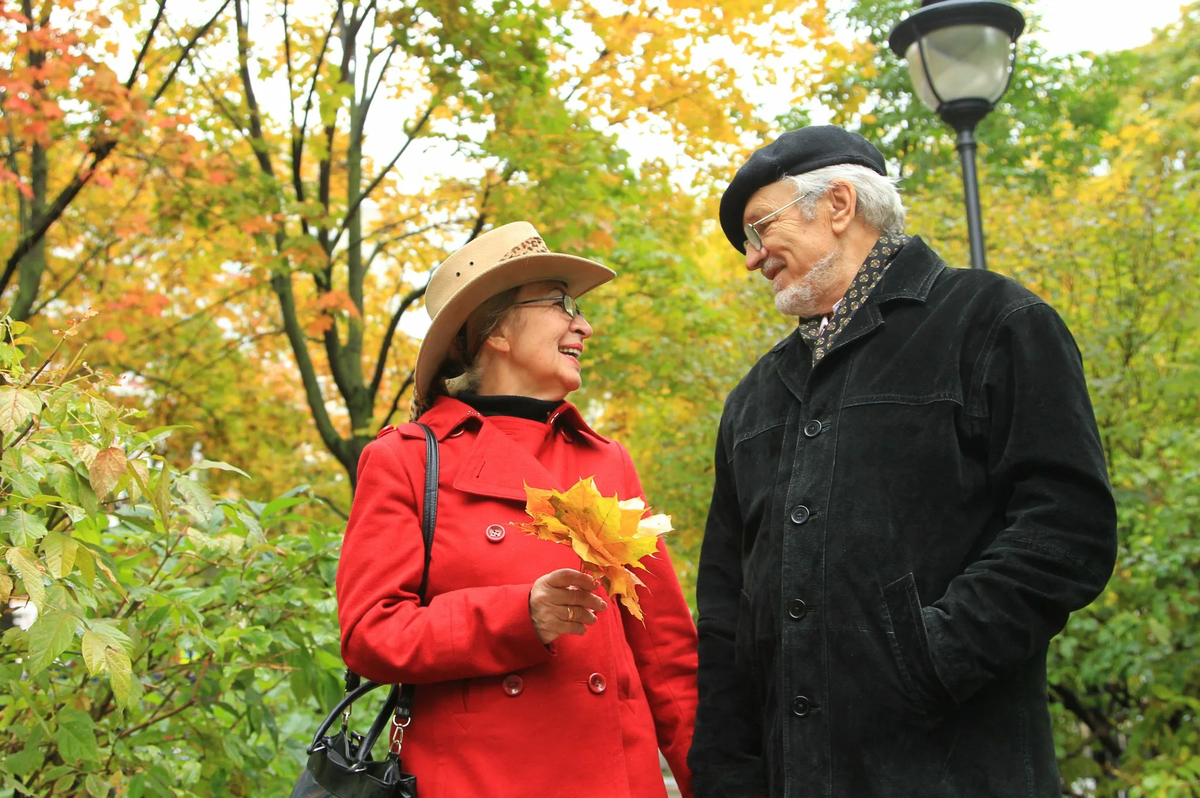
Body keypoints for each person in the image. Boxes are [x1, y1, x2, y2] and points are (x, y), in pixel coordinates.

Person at [687, 126, 1118, 797]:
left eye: (760, 228)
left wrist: (927, 659)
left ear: (837, 205)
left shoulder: (996, 322)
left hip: (960, 769)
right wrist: (724, 772)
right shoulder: (753, 399)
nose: (751, 259)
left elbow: (1067, 529)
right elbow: (722, 609)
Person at [337, 221, 698, 798]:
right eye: (560, 304)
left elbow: (665, 651)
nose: (584, 324)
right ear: (495, 330)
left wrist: (714, 778)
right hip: (479, 781)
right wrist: (517, 618)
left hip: (617, 779)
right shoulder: (404, 459)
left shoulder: (608, 461)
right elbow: (369, 633)